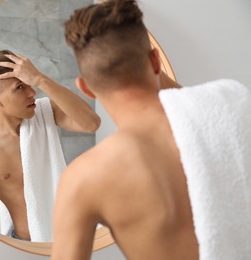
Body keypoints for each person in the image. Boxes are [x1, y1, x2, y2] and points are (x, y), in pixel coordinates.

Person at [52, 0, 199, 259]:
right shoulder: (216, 124)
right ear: (156, 61)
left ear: (85, 88)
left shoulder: (84, 176)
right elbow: (202, 104)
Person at [0, 50, 100, 241]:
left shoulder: (46, 112)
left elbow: (91, 124)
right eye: (19, 88)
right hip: (22, 246)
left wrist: (40, 79)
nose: (32, 92)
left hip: (70, 237)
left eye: (30, 84)